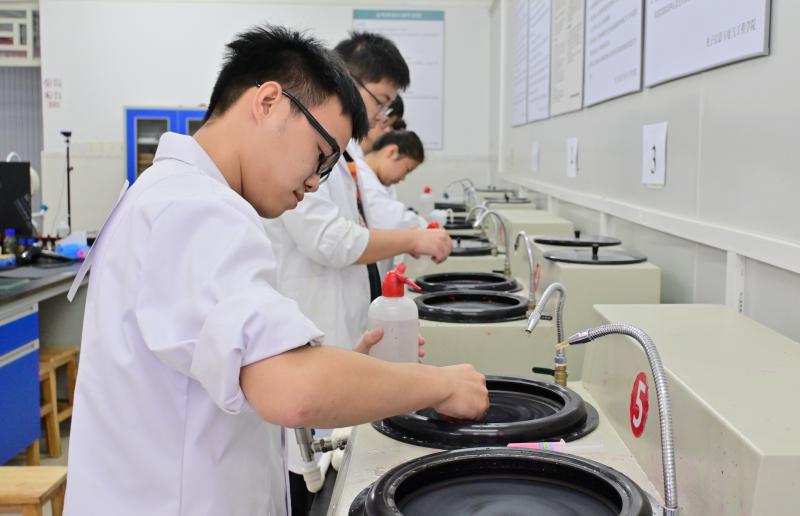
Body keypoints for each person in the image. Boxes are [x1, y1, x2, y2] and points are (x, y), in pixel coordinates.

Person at [63, 25, 488, 516]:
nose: (315, 182)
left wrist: (343, 370)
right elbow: (293, 391)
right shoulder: (198, 209)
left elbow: (233, 368)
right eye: (320, 156)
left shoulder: (168, 193)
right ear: (268, 102)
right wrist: (440, 385)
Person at [263, 30, 455, 512]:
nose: (382, 117)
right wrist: (413, 239)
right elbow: (331, 241)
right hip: (308, 346)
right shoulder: (306, 154)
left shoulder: (343, 158)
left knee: (328, 476)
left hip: (338, 345)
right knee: (302, 482)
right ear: (347, 79)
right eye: (382, 101)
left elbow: (361, 230)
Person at [358, 130, 428, 274]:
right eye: (407, 169)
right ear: (392, 152)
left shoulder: (374, 181)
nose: (403, 178)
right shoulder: (363, 179)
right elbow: (390, 220)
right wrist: (425, 230)